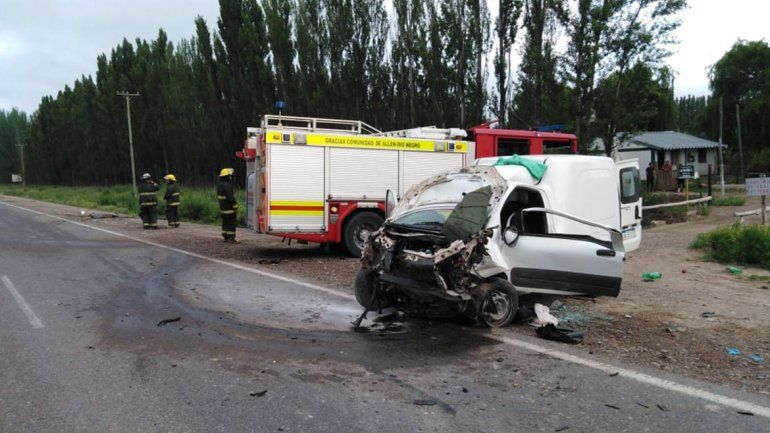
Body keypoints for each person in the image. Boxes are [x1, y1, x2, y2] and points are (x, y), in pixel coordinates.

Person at [217, 168, 239, 243]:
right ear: (227, 176)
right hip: (229, 209)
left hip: (223, 209)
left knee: (225, 222)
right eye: (230, 176)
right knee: (231, 223)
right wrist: (235, 206)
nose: (231, 177)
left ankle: (225, 237)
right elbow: (230, 197)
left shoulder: (219, 186)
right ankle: (231, 239)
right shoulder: (228, 186)